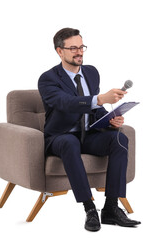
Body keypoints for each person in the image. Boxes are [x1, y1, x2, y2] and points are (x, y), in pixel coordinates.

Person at [38, 27, 141, 231]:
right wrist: (100, 99)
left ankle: (111, 208)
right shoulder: (48, 79)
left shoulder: (92, 72)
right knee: (69, 142)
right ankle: (89, 209)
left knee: (119, 139)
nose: (79, 52)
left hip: (90, 134)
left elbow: (96, 109)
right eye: (73, 48)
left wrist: (110, 119)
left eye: (81, 47)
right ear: (60, 51)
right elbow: (66, 103)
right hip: (61, 137)